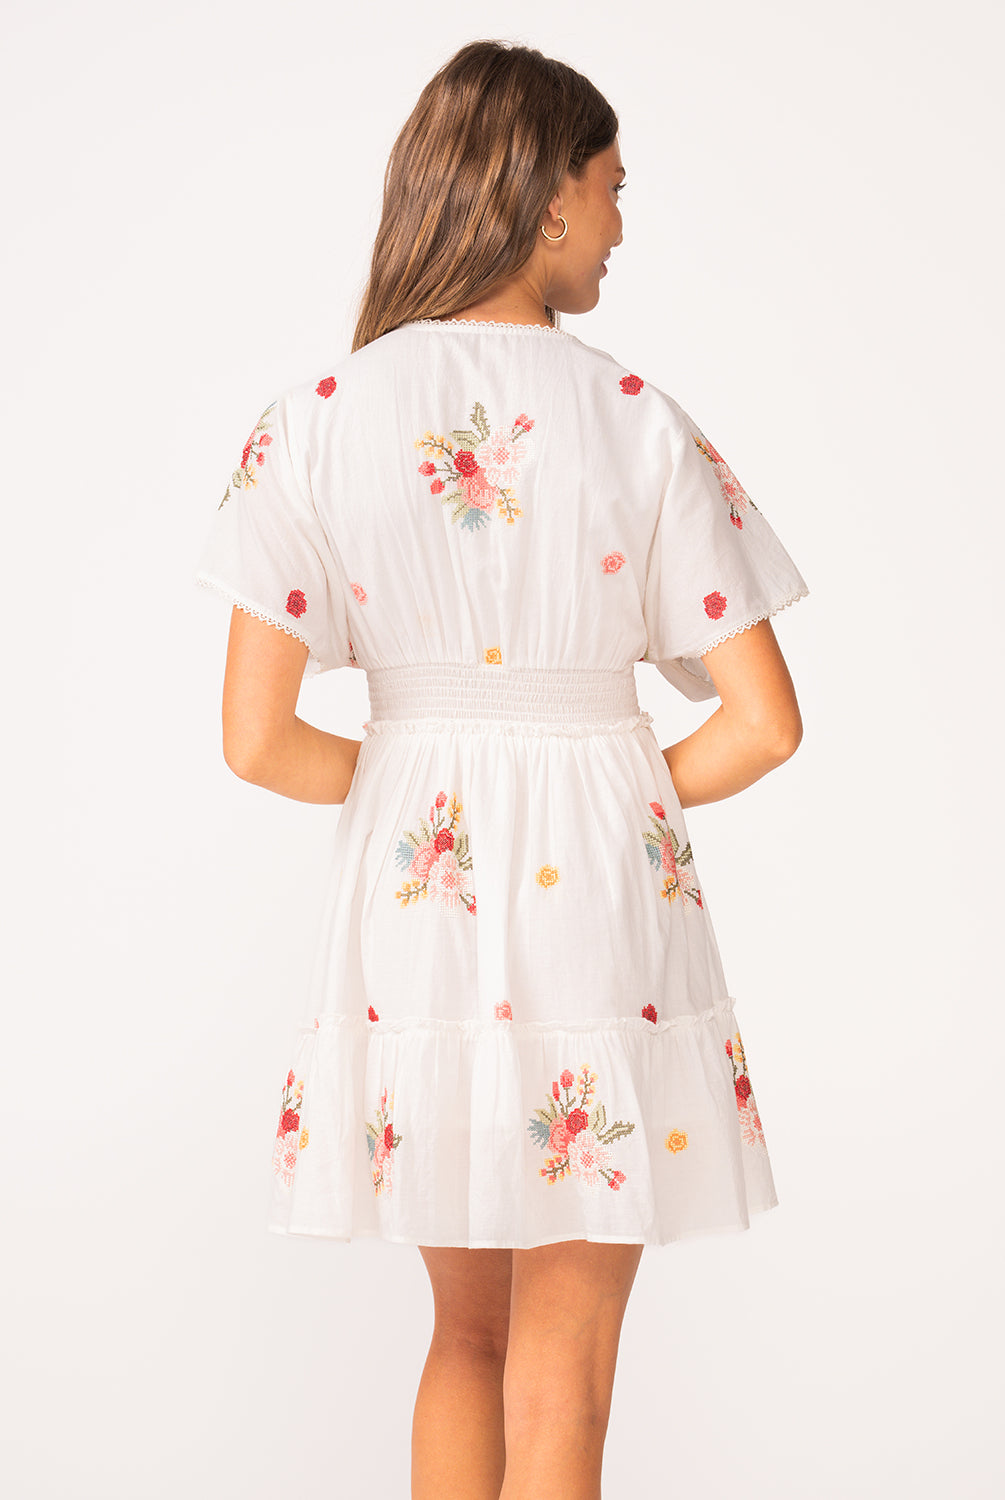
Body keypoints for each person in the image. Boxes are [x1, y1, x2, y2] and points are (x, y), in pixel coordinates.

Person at [194, 37, 808, 1500]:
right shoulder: (637, 421)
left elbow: (257, 740)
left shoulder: (311, 427)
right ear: (543, 200)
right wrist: (609, 791)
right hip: (601, 903)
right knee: (565, 1366)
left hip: (417, 913)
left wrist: (426, 800)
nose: (617, 224)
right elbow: (764, 724)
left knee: (461, 1337)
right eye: (608, 188)